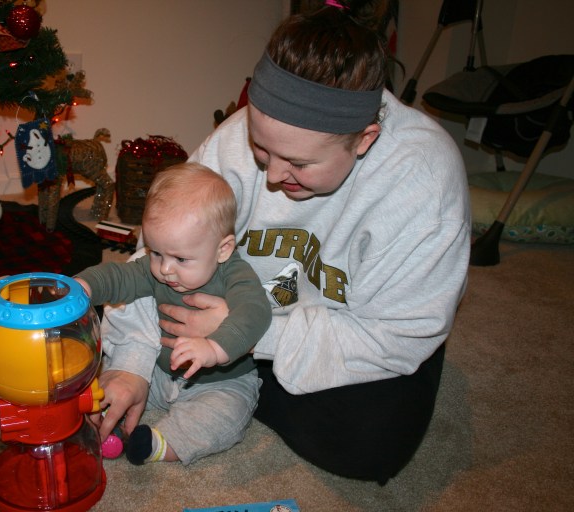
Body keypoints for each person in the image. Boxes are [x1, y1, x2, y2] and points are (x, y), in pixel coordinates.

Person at [96, 1, 470, 485]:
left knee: (370, 444)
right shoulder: (233, 141)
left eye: (297, 163)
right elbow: (160, 259)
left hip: (344, 333)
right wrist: (130, 366)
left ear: (365, 139)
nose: (271, 176)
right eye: (261, 148)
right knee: (128, 345)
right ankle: (226, 390)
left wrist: (247, 334)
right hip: (223, 314)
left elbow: (396, 334)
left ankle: (230, 389)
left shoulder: (424, 183)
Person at [75, 162, 271, 465]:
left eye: (181, 258)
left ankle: (159, 445)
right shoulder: (161, 270)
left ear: (223, 249)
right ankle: (96, 421)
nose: (165, 269)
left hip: (221, 381)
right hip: (161, 371)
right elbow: (119, 277)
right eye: (156, 253)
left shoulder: (236, 275)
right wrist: (85, 285)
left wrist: (215, 347)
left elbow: (255, 313)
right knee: (112, 390)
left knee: (223, 417)